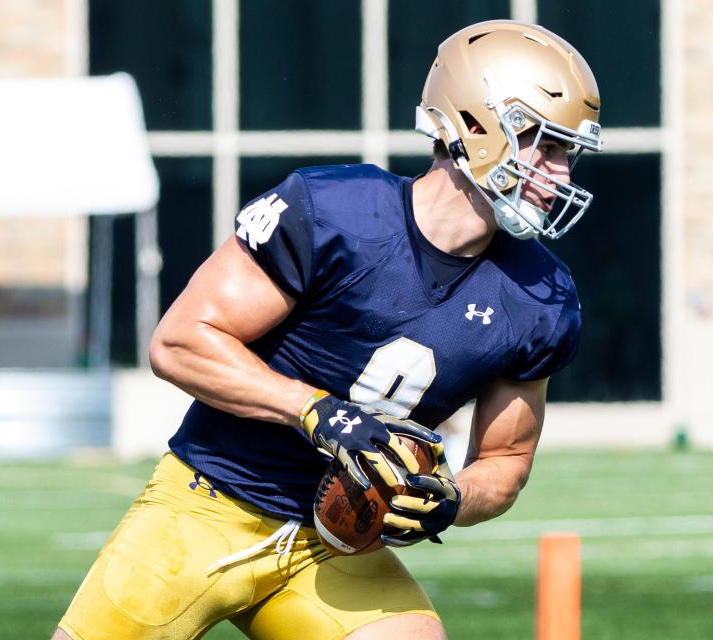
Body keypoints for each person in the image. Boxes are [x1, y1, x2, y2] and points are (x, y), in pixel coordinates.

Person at [53, 19, 601, 640]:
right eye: (544, 145)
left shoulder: (539, 296)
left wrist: (449, 498)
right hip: (206, 504)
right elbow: (180, 342)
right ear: (471, 127)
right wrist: (318, 411)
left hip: (338, 544)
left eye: (568, 154)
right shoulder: (335, 212)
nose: (560, 175)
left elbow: (504, 462)